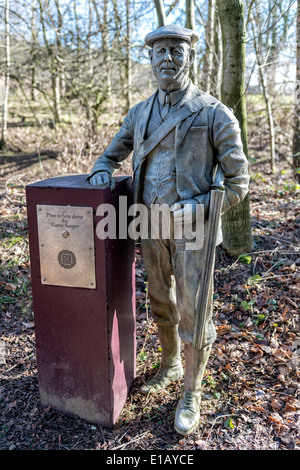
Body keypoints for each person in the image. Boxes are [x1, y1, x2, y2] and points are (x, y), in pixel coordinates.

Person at [88, 24, 249, 436]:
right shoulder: (140, 112)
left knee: (195, 313)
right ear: (150, 58)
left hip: (193, 230)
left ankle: (191, 391)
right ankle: (171, 363)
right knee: (160, 299)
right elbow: (112, 152)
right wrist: (103, 167)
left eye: (175, 50)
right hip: (148, 223)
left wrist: (197, 207)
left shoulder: (214, 113)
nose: (167, 58)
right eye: (159, 51)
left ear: (189, 55)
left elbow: (238, 182)